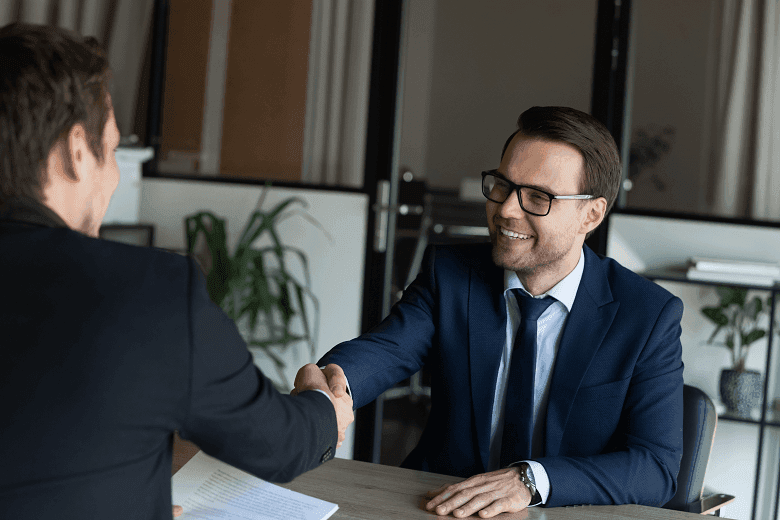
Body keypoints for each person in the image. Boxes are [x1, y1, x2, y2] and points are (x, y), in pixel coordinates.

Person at [0, 22, 353, 519]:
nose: (115, 175)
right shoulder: (149, 290)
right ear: (77, 152)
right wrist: (326, 411)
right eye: (114, 150)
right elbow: (275, 443)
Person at [298, 106, 684, 517]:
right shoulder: (449, 274)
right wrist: (333, 386)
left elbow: (656, 468)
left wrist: (531, 480)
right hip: (439, 505)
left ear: (591, 214)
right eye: (502, 185)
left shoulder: (647, 316)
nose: (505, 210)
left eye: (537, 197)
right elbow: (387, 350)